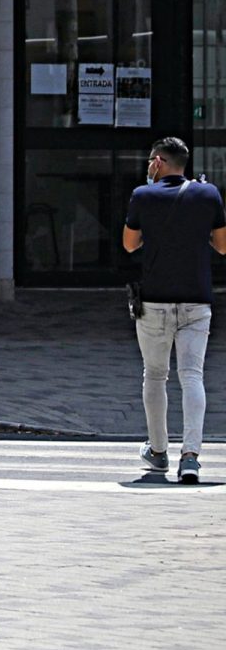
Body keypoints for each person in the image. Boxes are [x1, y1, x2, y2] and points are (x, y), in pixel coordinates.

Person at [122, 136, 226, 483]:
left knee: (155, 375)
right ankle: (191, 457)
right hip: (197, 299)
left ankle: (158, 451)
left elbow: (129, 244)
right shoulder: (208, 194)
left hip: (155, 300)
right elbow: (223, 247)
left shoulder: (142, 195)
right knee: (192, 375)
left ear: (157, 162)